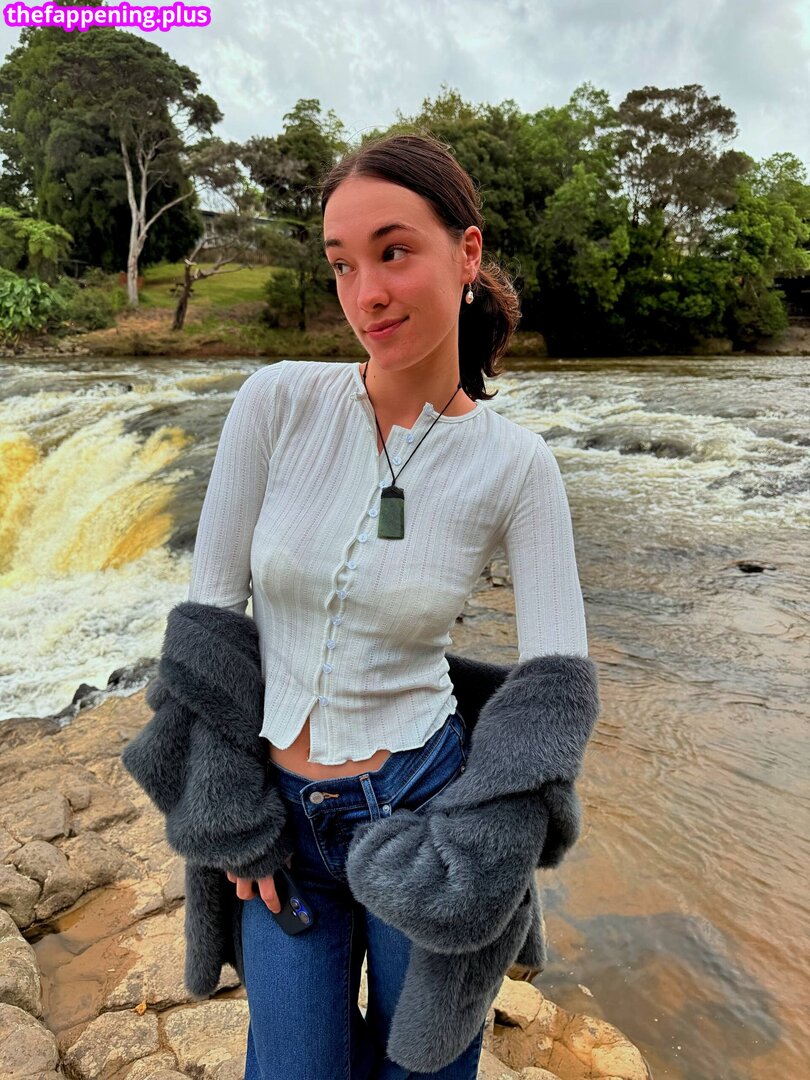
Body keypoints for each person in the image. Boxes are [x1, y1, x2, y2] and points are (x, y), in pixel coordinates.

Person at [186, 131, 590, 1079]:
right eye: (342, 264)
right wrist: (226, 803)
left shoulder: (518, 466)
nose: (365, 292)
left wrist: (490, 839)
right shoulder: (275, 402)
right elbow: (208, 616)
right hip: (281, 828)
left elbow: (557, 684)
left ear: (468, 253)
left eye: (394, 251)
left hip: (429, 818)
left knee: (427, 1070)